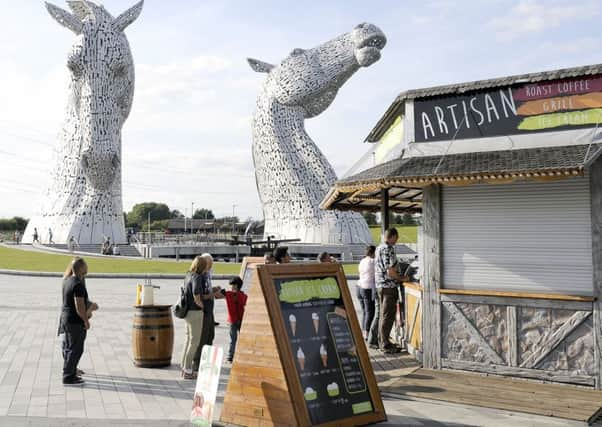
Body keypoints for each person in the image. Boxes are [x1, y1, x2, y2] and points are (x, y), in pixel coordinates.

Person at [58, 257, 98, 385]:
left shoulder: (67, 280)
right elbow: (79, 306)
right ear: (81, 268)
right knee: (75, 349)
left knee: (69, 347)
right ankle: (69, 377)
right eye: (85, 265)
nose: (87, 267)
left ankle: (69, 372)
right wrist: (86, 320)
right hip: (75, 322)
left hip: (66, 319)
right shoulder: (78, 284)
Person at [375, 228, 408, 354]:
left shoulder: (379, 248)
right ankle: (386, 345)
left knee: (383, 316)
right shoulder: (388, 249)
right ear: (392, 236)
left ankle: (382, 341)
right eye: (396, 238)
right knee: (388, 316)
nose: (397, 241)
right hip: (388, 287)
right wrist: (401, 278)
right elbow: (390, 271)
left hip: (381, 286)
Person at [193, 253, 223, 374]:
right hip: (204, 311)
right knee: (202, 337)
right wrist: (213, 294)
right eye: (209, 264)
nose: (211, 266)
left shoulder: (207, 274)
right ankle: (197, 363)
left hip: (210, 310)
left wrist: (214, 289)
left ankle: (207, 360)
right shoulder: (200, 276)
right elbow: (199, 296)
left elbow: (207, 291)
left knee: (210, 335)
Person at [180, 256, 207, 379]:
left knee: (187, 339)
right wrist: (201, 306)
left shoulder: (188, 275)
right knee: (194, 341)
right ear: (202, 266)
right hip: (195, 312)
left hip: (187, 312)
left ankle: (184, 367)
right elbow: (196, 294)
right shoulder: (197, 277)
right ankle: (188, 370)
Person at [222, 276, 247, 362]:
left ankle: (232, 356)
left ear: (236, 286)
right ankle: (233, 356)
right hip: (236, 320)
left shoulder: (234, 295)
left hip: (235, 320)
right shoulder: (240, 295)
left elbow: (242, 301)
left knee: (235, 339)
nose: (231, 287)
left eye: (232, 285)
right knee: (236, 339)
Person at [357, 245, 376, 340]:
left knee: (364, 311)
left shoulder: (362, 260)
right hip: (367, 288)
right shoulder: (372, 261)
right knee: (370, 312)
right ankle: (367, 333)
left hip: (359, 287)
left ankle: (363, 331)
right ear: (373, 253)